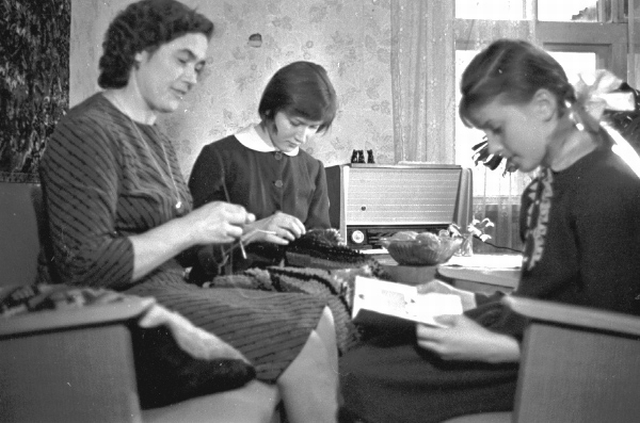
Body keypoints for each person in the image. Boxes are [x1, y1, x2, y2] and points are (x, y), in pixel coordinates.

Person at [39, 1, 339, 421]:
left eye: (198, 67)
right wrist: (191, 227)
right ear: (139, 52)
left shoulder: (155, 140)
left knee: (320, 317)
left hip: (172, 292)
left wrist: (236, 233)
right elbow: (84, 267)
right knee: (304, 339)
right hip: (123, 312)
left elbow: (192, 257)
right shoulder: (87, 130)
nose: (191, 78)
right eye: (182, 60)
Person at [338, 38, 640, 423]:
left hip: (556, 366)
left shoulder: (610, 191)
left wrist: (496, 348)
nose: (493, 147)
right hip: (526, 337)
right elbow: (543, 295)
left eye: (497, 128)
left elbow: (614, 340)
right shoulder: (543, 188)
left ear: (544, 106)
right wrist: (463, 301)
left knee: (362, 375)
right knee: (363, 358)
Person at [187, 60, 337, 282]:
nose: (302, 137)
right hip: (222, 290)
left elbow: (319, 258)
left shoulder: (313, 169)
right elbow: (189, 251)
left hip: (290, 292)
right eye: (295, 122)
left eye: (313, 127)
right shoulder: (218, 157)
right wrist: (251, 231)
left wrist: (328, 247)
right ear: (270, 109)